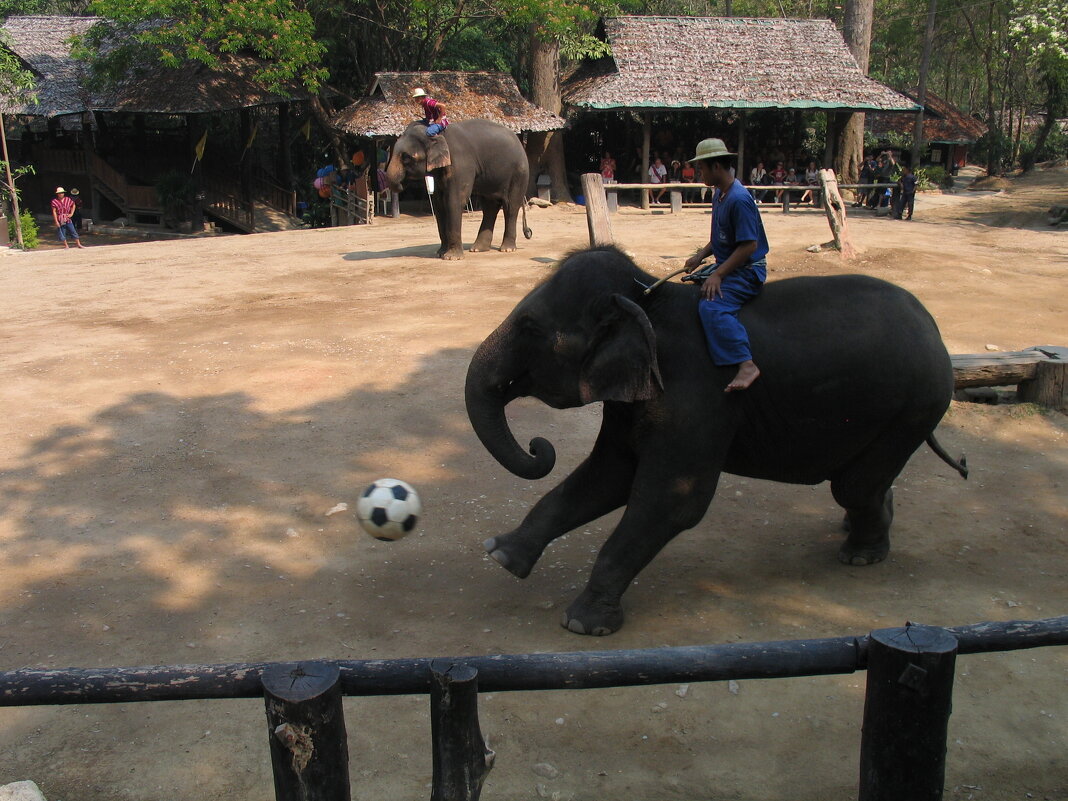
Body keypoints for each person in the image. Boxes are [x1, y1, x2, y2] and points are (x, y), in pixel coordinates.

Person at [682, 138, 769, 393]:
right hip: (728, 262)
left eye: (702, 169)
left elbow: (749, 246)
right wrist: (700, 256)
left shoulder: (739, 200)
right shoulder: (720, 194)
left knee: (713, 308)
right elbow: (721, 235)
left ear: (717, 166)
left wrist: (718, 274)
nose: (700, 174)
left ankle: (746, 363)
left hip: (747, 270)